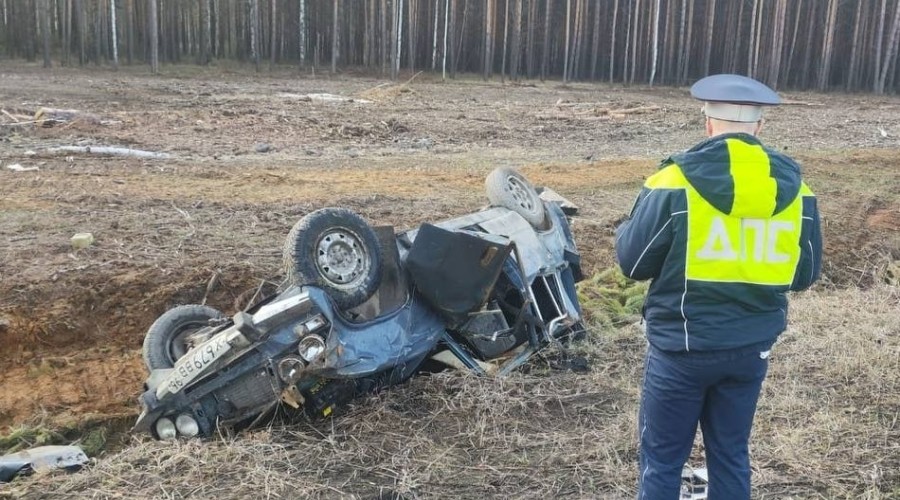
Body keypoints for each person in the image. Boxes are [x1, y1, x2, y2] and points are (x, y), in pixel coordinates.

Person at [614, 74, 823, 500]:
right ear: (759, 128)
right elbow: (804, 274)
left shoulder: (673, 182)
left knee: (663, 460)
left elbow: (633, 263)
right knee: (730, 455)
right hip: (751, 350)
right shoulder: (799, 191)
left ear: (708, 122)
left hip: (681, 349)